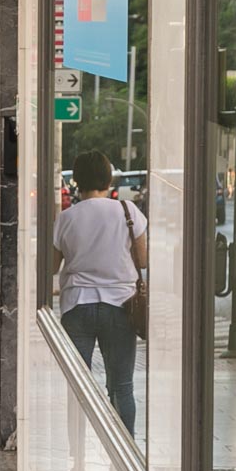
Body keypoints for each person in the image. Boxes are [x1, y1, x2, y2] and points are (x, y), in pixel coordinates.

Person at [53, 150, 147, 434]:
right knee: (121, 386)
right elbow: (142, 260)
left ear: (77, 181)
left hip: (77, 307)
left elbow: (51, 266)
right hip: (121, 307)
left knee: (78, 388)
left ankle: (78, 457)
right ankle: (125, 453)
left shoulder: (66, 218)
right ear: (109, 178)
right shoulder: (128, 212)